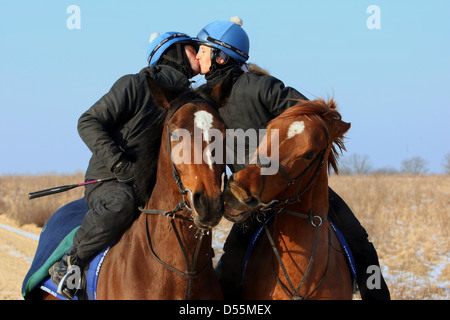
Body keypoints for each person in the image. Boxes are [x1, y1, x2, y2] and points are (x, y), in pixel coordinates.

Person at [195, 17, 390, 300]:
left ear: (221, 57)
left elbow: (306, 116)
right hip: (255, 194)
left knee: (232, 263)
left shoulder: (245, 90)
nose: (197, 54)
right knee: (359, 243)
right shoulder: (208, 98)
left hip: (273, 192)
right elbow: (313, 114)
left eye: (202, 48)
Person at [48, 31, 200, 299]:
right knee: (122, 204)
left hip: (153, 191)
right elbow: (88, 121)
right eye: (192, 49)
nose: (199, 53)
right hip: (111, 183)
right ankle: (71, 262)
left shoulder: (190, 100)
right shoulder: (134, 84)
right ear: (173, 51)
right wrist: (118, 164)